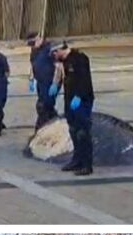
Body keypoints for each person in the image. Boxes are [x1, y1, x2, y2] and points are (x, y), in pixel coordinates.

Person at [51, 41, 95, 176]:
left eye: (55, 52)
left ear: (61, 49)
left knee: (82, 132)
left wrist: (79, 96)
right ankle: (77, 160)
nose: (54, 55)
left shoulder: (80, 59)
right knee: (73, 130)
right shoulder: (63, 61)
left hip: (82, 100)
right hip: (69, 99)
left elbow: (85, 80)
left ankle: (87, 165)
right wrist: (55, 86)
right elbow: (61, 77)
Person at [26, 32, 61, 130]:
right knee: (47, 107)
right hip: (41, 82)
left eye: (33, 43)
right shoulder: (34, 51)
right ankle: (54, 122)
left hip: (50, 82)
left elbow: (59, 67)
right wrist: (31, 79)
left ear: (39, 39)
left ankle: (40, 129)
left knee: (43, 106)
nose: (33, 46)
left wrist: (55, 83)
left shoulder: (50, 49)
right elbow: (33, 66)